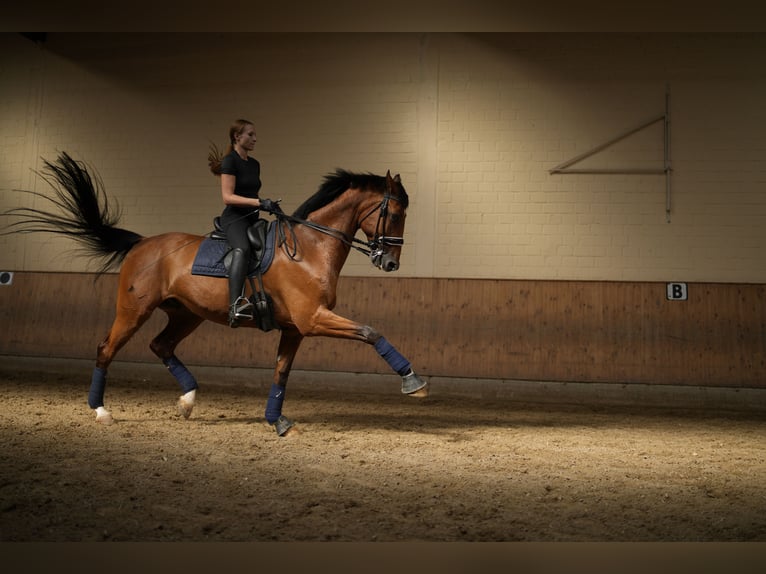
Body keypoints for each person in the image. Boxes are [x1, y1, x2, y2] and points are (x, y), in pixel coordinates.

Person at [208, 119, 278, 327]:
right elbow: (228, 197)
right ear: (237, 137)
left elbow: (250, 193)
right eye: (250, 134)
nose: (255, 138)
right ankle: (235, 305)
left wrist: (268, 205)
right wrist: (259, 202)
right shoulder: (230, 161)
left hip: (253, 218)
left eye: (255, 135)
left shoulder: (255, 164)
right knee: (242, 248)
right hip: (234, 218)